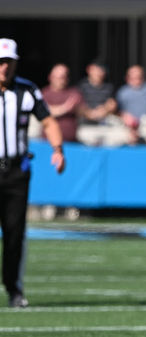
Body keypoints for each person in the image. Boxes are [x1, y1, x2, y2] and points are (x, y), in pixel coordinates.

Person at [0, 38, 65, 308]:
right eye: (0, 62)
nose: (4, 67)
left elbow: (47, 120)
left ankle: (14, 288)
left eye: (8, 62)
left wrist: (58, 149)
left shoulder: (27, 91)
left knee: (15, 233)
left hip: (16, 171)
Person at [41, 63, 84, 142]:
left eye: (64, 77)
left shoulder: (73, 92)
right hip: (49, 143)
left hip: (71, 142)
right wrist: (65, 108)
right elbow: (45, 112)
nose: (61, 79)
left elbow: (84, 112)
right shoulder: (45, 93)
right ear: (50, 77)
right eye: (59, 77)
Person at [78, 60, 117, 124]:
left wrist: (104, 110)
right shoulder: (81, 86)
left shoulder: (109, 87)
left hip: (105, 118)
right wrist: (88, 113)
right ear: (89, 70)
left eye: (101, 70)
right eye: (96, 70)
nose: (98, 73)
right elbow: (77, 105)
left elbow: (112, 104)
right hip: (85, 118)